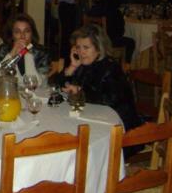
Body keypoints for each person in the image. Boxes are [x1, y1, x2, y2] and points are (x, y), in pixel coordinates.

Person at [53, 24, 142, 154]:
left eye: (86, 47)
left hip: (120, 130)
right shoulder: (83, 64)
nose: (81, 52)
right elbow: (58, 87)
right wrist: (72, 67)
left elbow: (109, 99)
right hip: (92, 118)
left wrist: (80, 92)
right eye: (78, 47)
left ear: (99, 49)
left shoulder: (111, 68)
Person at [0, 14, 50, 84]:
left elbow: (36, 84)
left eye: (27, 31)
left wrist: (27, 54)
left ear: (32, 33)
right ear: (12, 35)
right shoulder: (4, 49)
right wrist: (11, 54)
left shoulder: (42, 52)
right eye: (17, 32)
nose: (22, 36)